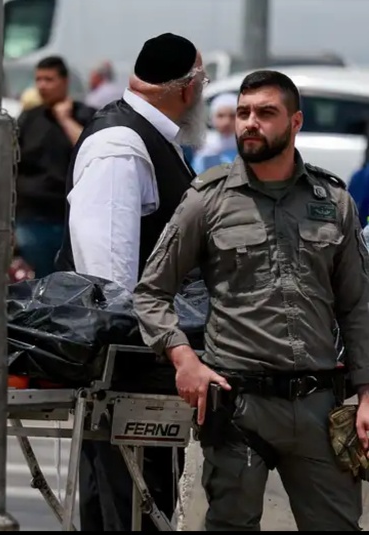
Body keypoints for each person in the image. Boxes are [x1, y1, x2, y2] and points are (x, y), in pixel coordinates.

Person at [133, 69, 369, 531]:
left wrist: (367, 392)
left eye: (265, 113)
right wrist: (184, 358)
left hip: (318, 407)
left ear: (295, 122)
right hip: (239, 408)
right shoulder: (208, 199)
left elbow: (358, 306)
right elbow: (151, 292)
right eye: (243, 113)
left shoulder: (333, 201)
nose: (249, 123)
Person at [55, 33, 208, 530]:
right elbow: (109, 282)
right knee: (127, 510)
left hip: (148, 371)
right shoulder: (120, 144)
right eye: (201, 82)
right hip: (126, 374)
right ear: (185, 89)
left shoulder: (150, 137)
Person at [16, 55, 96, 279]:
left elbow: (89, 150)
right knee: (40, 280)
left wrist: (64, 119)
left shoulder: (83, 114)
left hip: (68, 218)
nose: (42, 85)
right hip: (32, 217)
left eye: (49, 79)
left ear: (64, 81)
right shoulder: (29, 119)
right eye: (38, 79)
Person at [191, 92, 238, 173]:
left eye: (232, 116)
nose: (226, 122)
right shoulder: (205, 150)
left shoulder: (247, 146)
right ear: (212, 118)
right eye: (220, 116)